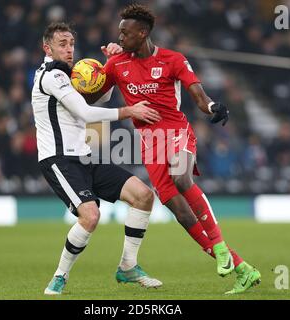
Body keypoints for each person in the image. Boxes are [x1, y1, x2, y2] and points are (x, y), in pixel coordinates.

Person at [88, 4, 261, 294]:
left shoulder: (172, 59)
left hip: (177, 133)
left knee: (182, 178)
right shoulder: (117, 64)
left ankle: (219, 246)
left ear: (142, 33)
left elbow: (197, 93)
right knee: (181, 214)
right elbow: (93, 97)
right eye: (119, 33)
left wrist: (212, 107)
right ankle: (242, 268)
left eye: (125, 33)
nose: (120, 38)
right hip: (149, 146)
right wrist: (95, 70)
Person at [31, 22, 163, 295]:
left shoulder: (69, 75)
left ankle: (128, 267)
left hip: (85, 155)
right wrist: (129, 111)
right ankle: (60, 276)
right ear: (48, 48)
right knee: (90, 216)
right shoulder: (51, 76)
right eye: (62, 44)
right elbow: (86, 114)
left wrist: (111, 64)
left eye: (71, 44)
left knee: (143, 195)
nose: (69, 49)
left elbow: (100, 98)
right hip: (59, 160)